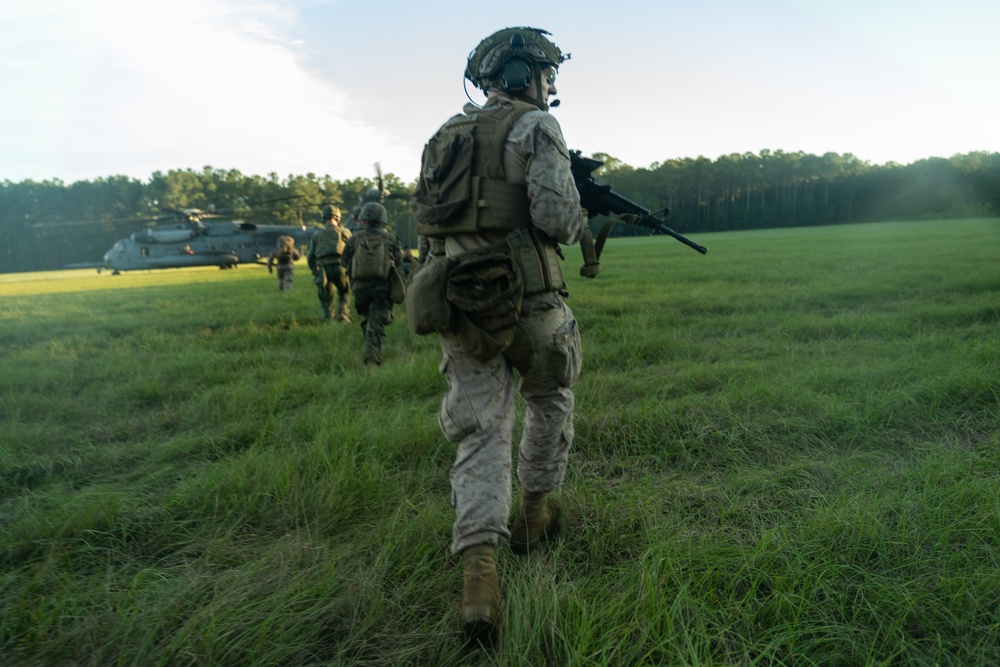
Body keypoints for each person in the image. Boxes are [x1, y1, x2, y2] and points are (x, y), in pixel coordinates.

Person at [409, 26, 587, 640]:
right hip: (531, 299)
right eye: (546, 76)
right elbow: (558, 219)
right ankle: (535, 517)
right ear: (525, 75)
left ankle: (479, 577)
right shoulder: (539, 127)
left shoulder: (442, 136)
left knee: (481, 434)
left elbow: (428, 228)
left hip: (464, 305)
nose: (548, 87)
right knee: (550, 401)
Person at [341, 202, 403, 366]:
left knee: (370, 319)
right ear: (383, 219)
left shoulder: (354, 239)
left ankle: (371, 348)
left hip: (360, 288)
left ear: (364, 219)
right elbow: (399, 260)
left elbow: (344, 261)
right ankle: (372, 361)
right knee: (377, 322)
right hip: (382, 287)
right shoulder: (391, 238)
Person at [306, 205, 352, 322]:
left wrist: (315, 271)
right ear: (338, 218)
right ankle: (343, 313)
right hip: (340, 268)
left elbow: (310, 256)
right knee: (345, 291)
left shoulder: (317, 236)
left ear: (323, 218)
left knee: (327, 298)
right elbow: (353, 251)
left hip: (323, 270)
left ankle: (328, 319)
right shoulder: (345, 232)